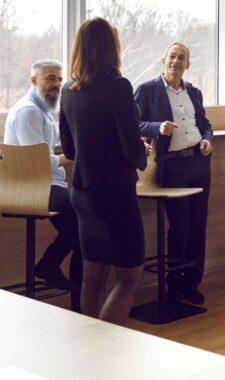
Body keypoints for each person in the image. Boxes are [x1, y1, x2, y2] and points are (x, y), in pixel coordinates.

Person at [59, 17, 149, 326]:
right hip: (116, 193)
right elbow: (131, 146)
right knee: (128, 278)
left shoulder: (68, 92)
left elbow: (69, 150)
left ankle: (89, 355)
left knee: (92, 278)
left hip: (82, 193)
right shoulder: (118, 86)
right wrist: (143, 154)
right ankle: (104, 351)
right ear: (112, 48)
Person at [135, 42, 213, 305]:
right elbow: (133, 124)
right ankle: (173, 285)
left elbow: (205, 125)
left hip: (199, 163)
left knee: (198, 226)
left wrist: (207, 139)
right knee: (180, 227)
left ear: (188, 64)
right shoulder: (147, 90)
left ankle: (192, 283)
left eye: (182, 58)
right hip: (172, 166)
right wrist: (157, 127)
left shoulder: (195, 92)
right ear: (163, 59)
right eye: (172, 56)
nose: (176, 61)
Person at [3, 58, 83, 310]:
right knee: (85, 216)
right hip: (28, 187)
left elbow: (47, 151)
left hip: (45, 185)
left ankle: (77, 299)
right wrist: (69, 158)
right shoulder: (29, 111)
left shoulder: (46, 111)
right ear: (33, 80)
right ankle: (50, 266)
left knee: (84, 223)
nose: (57, 84)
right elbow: (33, 161)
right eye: (50, 78)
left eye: (59, 79)